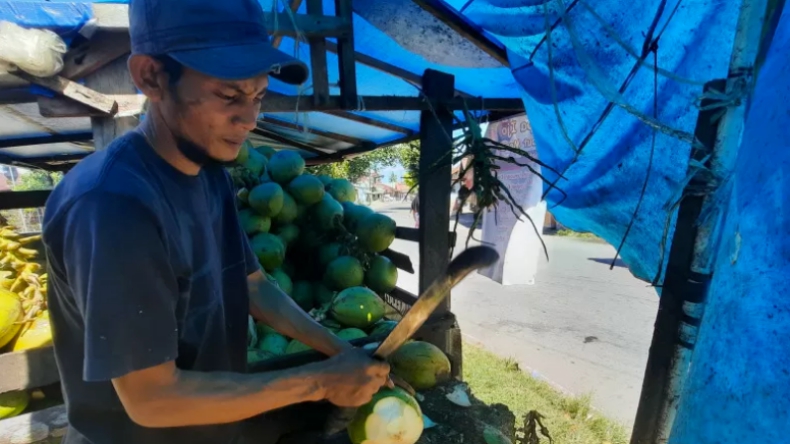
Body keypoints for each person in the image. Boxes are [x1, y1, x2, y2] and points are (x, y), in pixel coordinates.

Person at [41, 1, 390, 443]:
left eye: (258, 96)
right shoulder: (112, 206)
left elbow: (253, 285)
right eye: (228, 95)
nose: (249, 120)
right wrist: (322, 380)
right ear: (151, 76)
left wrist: (342, 351)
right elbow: (151, 398)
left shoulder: (207, 175)